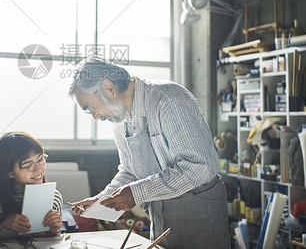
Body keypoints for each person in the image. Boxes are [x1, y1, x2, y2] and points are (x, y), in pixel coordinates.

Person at [69, 59, 230, 249]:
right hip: (161, 213)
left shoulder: (169, 99)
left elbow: (198, 167)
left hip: (198, 212)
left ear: (108, 87)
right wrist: (102, 200)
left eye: (91, 108)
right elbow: (130, 171)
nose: (96, 117)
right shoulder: (119, 119)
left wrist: (136, 193)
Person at [0, 131, 63, 239]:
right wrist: (2, 226)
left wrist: (54, 230)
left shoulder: (53, 198)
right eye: (28, 164)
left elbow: (53, 240)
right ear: (9, 172)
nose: (38, 169)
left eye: (40, 159)